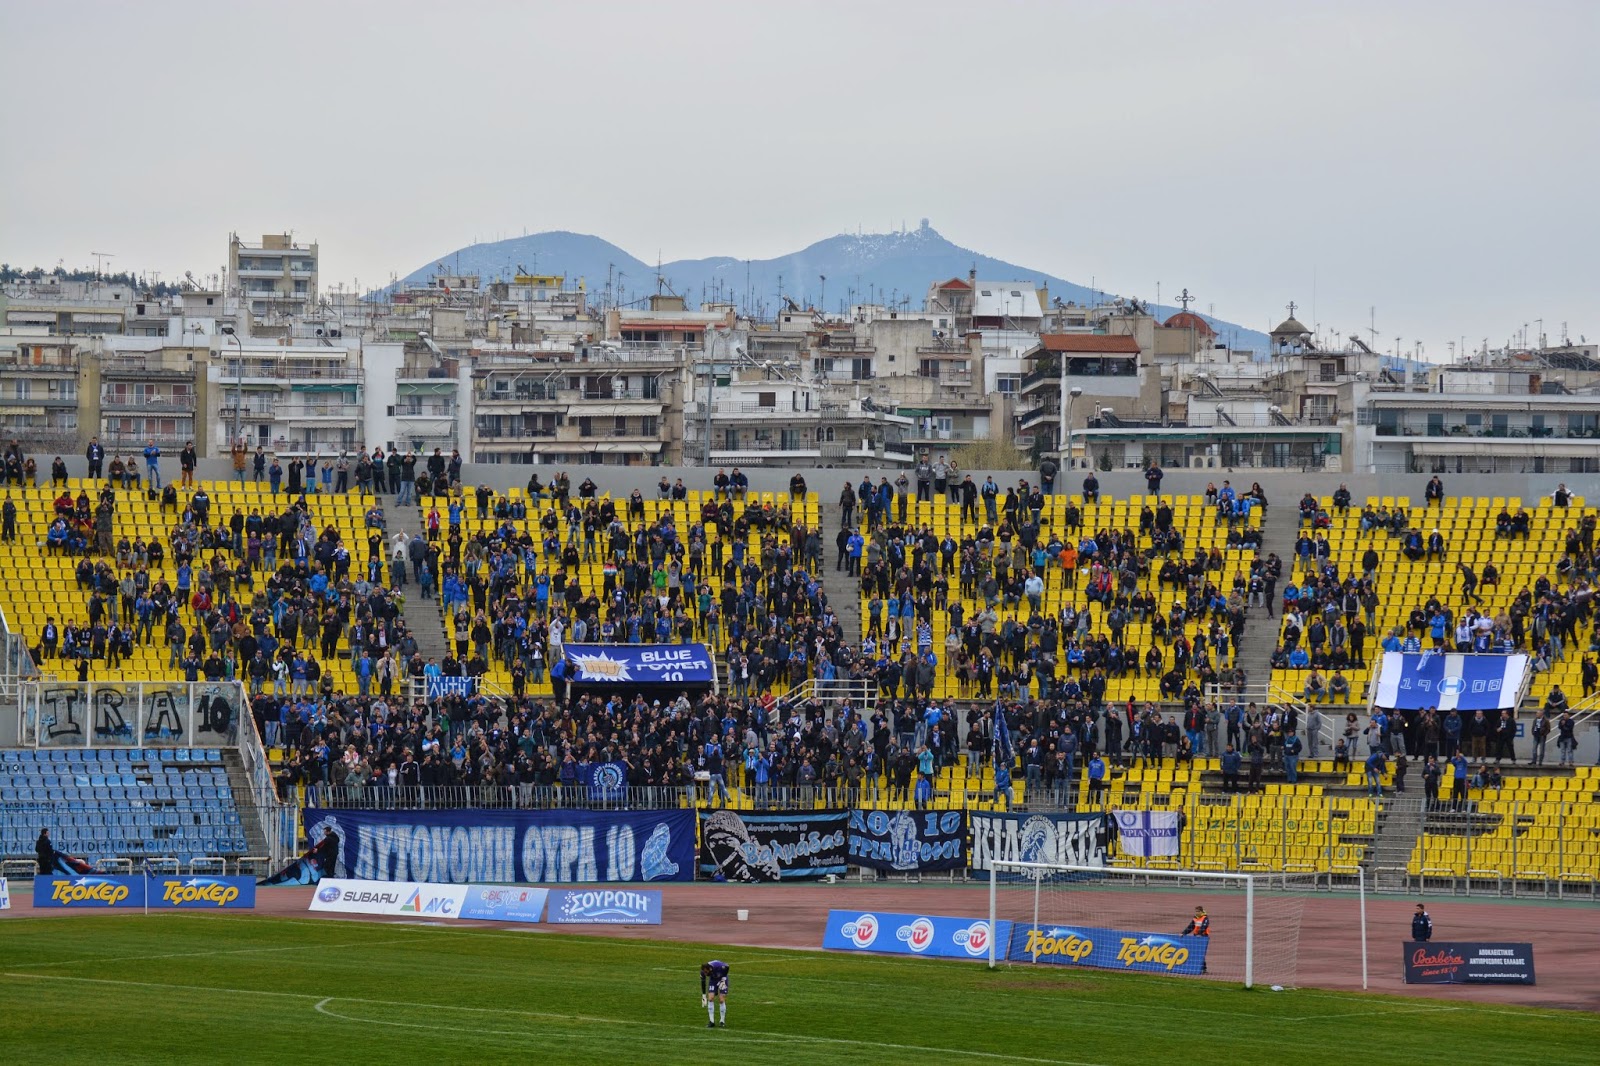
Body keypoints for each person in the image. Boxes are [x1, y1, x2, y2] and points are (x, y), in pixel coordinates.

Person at [700, 959, 730, 1027]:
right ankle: (711, 1021)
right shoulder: (703, 972)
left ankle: (722, 1021)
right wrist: (704, 995)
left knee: (721, 999)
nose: (705, 974)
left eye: (706, 972)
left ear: (709, 969)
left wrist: (723, 979)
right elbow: (703, 982)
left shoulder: (718, 966)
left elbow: (727, 966)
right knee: (710, 998)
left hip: (722, 979)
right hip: (713, 980)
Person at [1180, 905, 1210, 973]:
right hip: (1196, 936)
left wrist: (1199, 934)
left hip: (1203, 937)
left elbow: (1204, 927)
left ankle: (1203, 968)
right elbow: (1190, 927)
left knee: (1201, 952)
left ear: (1201, 911)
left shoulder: (1205, 918)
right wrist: (1184, 933)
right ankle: (1199, 967)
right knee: (1196, 952)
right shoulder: (1195, 918)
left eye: (1198, 911)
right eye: (1196, 911)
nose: (1197, 913)